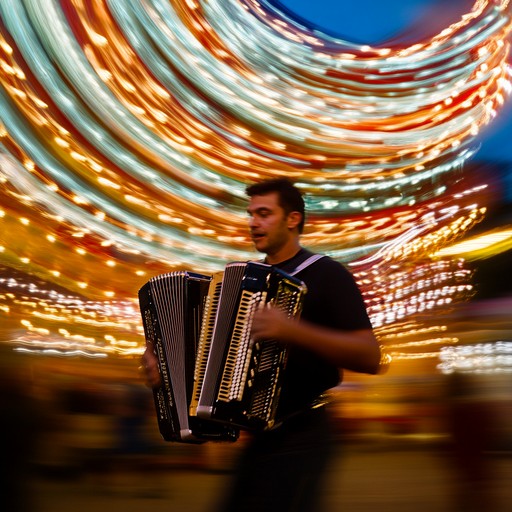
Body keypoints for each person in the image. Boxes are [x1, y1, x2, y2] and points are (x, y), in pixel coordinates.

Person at [141, 177, 381, 511]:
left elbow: (370, 357)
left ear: (292, 219)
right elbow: (212, 367)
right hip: (259, 437)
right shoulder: (241, 284)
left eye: (264, 213)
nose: (254, 222)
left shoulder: (327, 274)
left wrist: (292, 330)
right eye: (251, 214)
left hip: (305, 433)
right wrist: (165, 373)